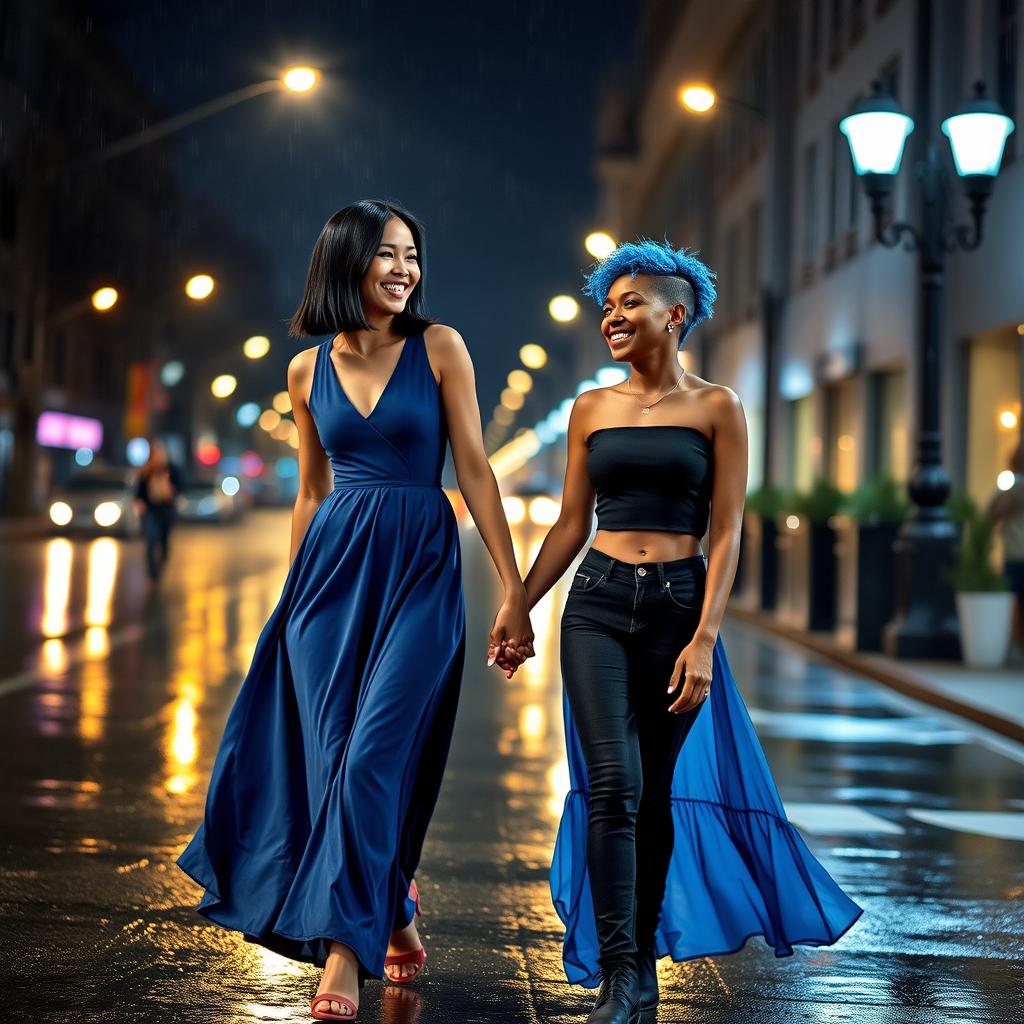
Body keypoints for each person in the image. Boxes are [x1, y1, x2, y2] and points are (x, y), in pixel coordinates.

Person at [175, 200, 534, 1021]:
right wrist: (294, 593)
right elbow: (309, 492)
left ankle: (344, 949)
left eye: (413, 255)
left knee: (374, 755)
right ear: (347, 264)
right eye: (387, 256)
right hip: (329, 580)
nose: (406, 270)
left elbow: (475, 470)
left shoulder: (440, 348)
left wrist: (513, 588)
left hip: (420, 568)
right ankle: (396, 910)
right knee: (331, 757)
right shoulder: (305, 371)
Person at [513, 239, 862, 1024]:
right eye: (608, 306)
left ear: (676, 316)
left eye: (629, 303)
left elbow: (729, 532)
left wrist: (704, 638)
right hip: (596, 602)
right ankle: (622, 970)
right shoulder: (591, 409)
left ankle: (640, 976)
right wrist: (520, 601)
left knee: (655, 795)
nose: (613, 316)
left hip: (678, 605)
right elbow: (571, 522)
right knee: (614, 785)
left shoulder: (718, 407)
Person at [987, 444, 1024, 656]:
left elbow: (992, 512)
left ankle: (1013, 645)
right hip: (1017, 553)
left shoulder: (1015, 486)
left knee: (1011, 603)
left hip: (1016, 554)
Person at [133, 438, 182, 581]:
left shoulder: (172, 469)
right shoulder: (146, 471)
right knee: (151, 539)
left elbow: (181, 486)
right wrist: (140, 502)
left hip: (166, 509)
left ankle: (160, 567)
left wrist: (172, 491)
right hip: (151, 509)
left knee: (165, 543)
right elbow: (139, 491)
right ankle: (153, 573)